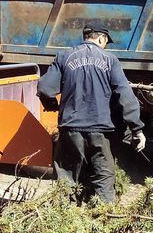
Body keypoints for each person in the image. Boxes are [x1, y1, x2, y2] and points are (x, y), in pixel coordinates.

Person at [37, 22, 146, 203]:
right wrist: (137, 129)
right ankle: (105, 220)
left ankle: (66, 222)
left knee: (67, 182)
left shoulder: (64, 56)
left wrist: (52, 105)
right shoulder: (110, 60)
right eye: (105, 41)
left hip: (70, 128)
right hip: (100, 130)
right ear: (102, 38)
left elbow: (45, 87)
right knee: (103, 180)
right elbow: (125, 95)